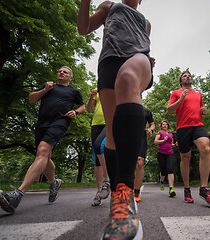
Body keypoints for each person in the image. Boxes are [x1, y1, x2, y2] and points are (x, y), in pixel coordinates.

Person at [78, 0, 153, 239]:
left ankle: (125, 189)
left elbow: (144, 44)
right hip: (108, 63)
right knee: (111, 138)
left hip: (138, 59)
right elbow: (83, 28)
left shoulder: (145, 22)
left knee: (129, 78)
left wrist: (150, 66)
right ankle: (121, 205)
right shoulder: (109, 6)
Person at [0, 66, 85, 214]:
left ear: (70, 77)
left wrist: (75, 112)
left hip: (60, 122)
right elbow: (31, 99)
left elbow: (82, 106)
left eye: (65, 72)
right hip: (42, 124)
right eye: (59, 71)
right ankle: (54, 183)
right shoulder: (48, 86)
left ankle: (17, 195)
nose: (61, 72)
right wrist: (45, 90)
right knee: (45, 156)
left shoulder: (73, 91)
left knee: (42, 151)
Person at [167, 71, 210, 206]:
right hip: (183, 128)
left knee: (206, 148)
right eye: (184, 76)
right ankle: (187, 189)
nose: (188, 76)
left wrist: (203, 110)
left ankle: (204, 189)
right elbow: (170, 110)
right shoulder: (176, 93)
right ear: (180, 82)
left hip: (198, 125)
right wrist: (181, 98)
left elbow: (200, 107)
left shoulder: (198, 94)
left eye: (189, 75)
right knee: (186, 157)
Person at [87, 88, 110, 206]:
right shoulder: (97, 88)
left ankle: (107, 181)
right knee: (97, 158)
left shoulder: (116, 84)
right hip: (96, 124)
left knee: (99, 146)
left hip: (110, 121)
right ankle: (99, 191)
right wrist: (92, 97)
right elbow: (89, 109)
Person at [134, 105, 155, 202]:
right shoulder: (126, 107)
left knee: (140, 162)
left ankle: (137, 192)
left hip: (141, 137)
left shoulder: (146, 111)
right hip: (126, 137)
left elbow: (152, 124)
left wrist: (151, 129)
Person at [154, 120, 176, 198]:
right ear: (161, 126)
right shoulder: (159, 133)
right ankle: (162, 181)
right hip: (161, 154)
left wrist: (174, 145)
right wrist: (163, 140)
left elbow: (171, 144)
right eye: (163, 124)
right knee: (163, 171)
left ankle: (171, 189)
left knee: (170, 169)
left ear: (168, 126)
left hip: (170, 153)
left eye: (166, 124)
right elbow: (155, 142)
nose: (164, 125)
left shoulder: (170, 134)